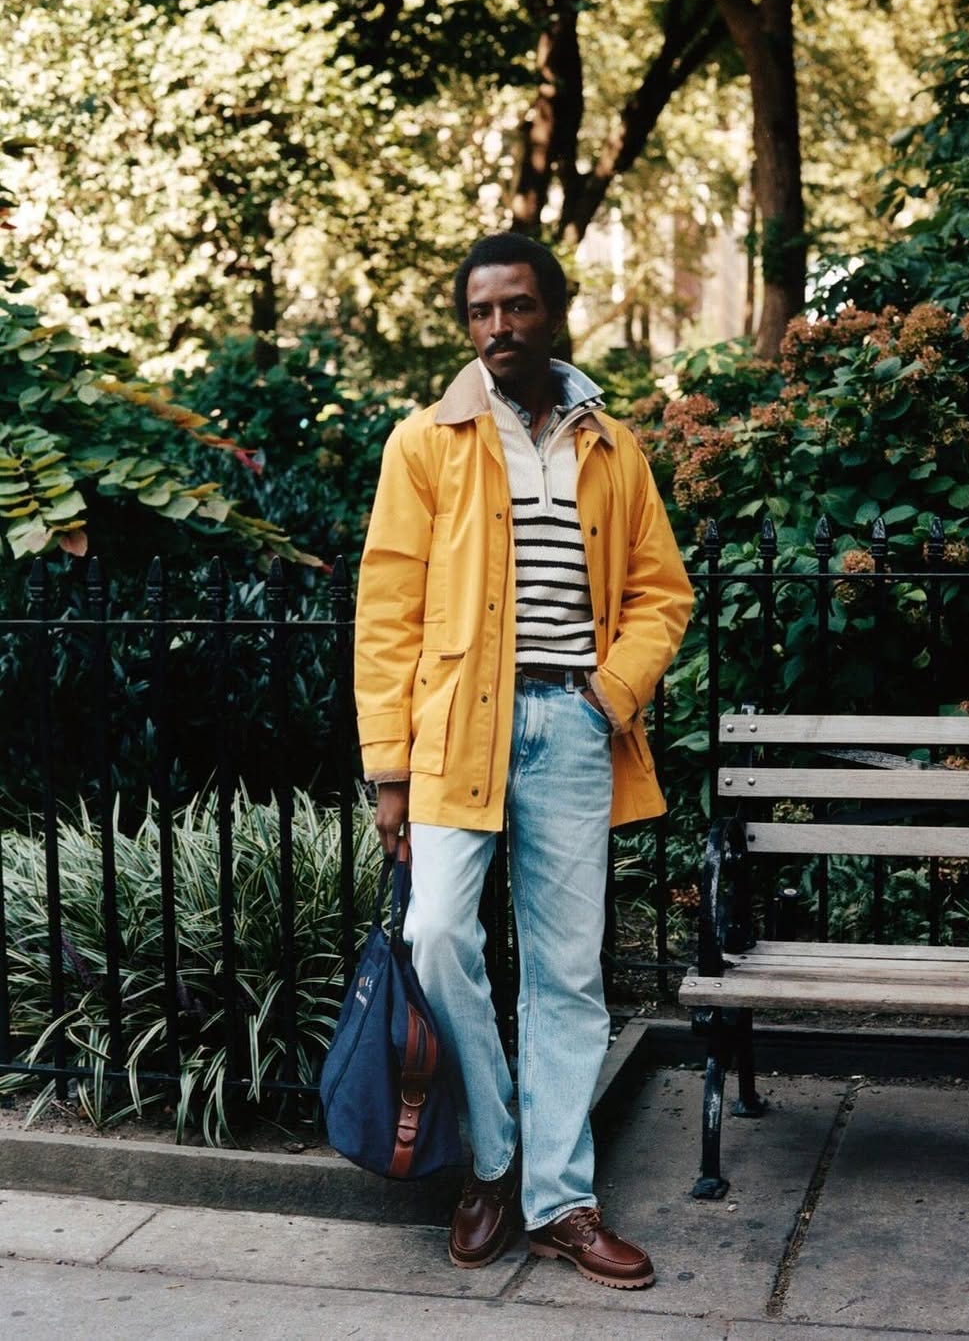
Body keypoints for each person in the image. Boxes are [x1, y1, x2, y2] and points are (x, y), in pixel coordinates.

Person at [354, 233, 693, 1290]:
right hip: (459, 732)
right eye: (480, 312)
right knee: (440, 930)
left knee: (566, 973)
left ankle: (559, 1199)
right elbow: (388, 615)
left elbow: (661, 593)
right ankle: (493, 1157)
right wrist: (388, 770)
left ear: (553, 311)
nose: (498, 326)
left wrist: (609, 693)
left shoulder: (611, 447)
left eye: (516, 307)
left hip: (571, 727)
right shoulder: (428, 442)